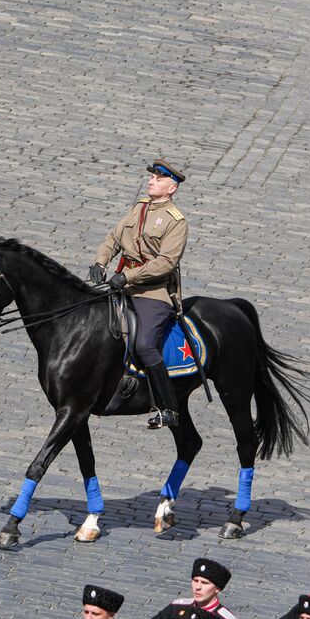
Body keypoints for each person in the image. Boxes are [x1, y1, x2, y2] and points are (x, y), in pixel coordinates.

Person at [93, 157, 189, 428]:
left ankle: (168, 407)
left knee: (145, 345)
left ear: (172, 188)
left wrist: (127, 276)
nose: (151, 181)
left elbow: (165, 263)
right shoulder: (139, 208)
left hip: (153, 292)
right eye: (152, 177)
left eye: (159, 179)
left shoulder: (176, 222)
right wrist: (100, 262)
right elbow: (114, 237)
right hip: (122, 284)